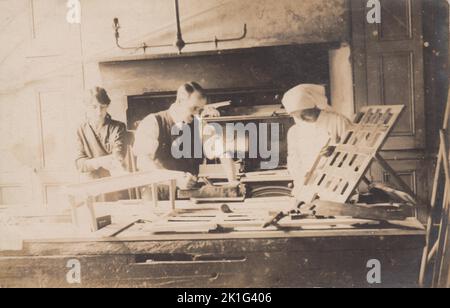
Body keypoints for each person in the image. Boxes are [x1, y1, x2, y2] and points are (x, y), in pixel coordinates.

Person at [134, 82, 219, 191]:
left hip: (190, 193)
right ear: (180, 101)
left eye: (200, 110)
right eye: (194, 108)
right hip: (160, 194)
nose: (197, 114)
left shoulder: (199, 124)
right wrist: (175, 180)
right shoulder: (153, 122)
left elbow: (216, 151)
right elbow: (143, 163)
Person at [282, 84, 352, 199]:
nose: (301, 119)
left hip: (335, 184)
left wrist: (336, 151)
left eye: (304, 114)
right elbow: (293, 159)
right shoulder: (294, 131)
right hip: (307, 186)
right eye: (297, 117)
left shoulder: (337, 121)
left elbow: (355, 151)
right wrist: (299, 175)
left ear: (314, 106)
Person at [75, 87, 128, 187]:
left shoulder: (118, 127)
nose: (99, 112)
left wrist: (91, 163)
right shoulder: (80, 130)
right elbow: (79, 164)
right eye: (94, 107)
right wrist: (100, 161)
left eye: (102, 107)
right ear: (86, 108)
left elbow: (118, 156)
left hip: (114, 181)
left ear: (107, 106)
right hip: (91, 183)